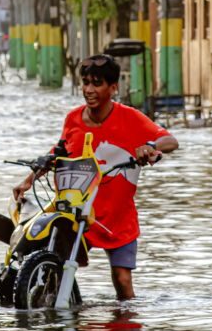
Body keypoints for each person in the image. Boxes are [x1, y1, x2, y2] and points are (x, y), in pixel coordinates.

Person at [11, 54, 179, 301]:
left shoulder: (130, 118)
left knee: (122, 282)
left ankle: (125, 329)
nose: (88, 90)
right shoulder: (73, 119)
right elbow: (58, 152)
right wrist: (29, 179)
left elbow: (170, 140)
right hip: (76, 211)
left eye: (96, 83)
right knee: (53, 265)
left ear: (113, 88)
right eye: (85, 82)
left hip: (117, 217)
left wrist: (150, 146)